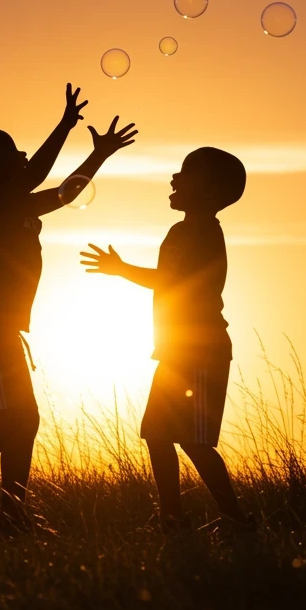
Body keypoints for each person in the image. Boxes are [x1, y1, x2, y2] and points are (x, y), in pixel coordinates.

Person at [0, 86, 137, 540]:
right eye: (10, 152)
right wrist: (64, 126)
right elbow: (42, 177)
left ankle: (11, 514)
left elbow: (64, 193)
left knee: (25, 418)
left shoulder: (15, 202)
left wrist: (98, 154)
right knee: (12, 418)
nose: (22, 154)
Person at [81, 147, 253, 534]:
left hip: (199, 350)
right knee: (158, 434)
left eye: (185, 173)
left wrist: (121, 269)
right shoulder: (190, 230)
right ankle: (172, 519)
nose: (174, 179)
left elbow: (173, 280)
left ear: (208, 189)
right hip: (181, 349)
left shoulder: (199, 231)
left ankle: (235, 519)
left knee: (192, 442)